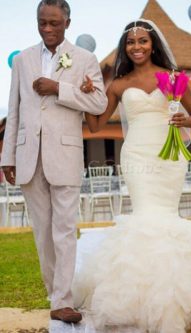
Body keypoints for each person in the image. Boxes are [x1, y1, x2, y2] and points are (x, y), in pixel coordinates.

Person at [72, 19, 191, 333]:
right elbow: (96, 126)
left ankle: (179, 289)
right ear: (124, 47)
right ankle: (139, 295)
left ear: (153, 44)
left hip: (170, 156)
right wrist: (86, 97)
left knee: (166, 216)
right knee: (145, 216)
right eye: (131, 42)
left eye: (142, 41)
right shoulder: (118, 84)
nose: (137, 47)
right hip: (137, 154)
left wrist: (184, 117)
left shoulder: (174, 78)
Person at [1, 0, 107, 324]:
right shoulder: (22, 60)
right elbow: (15, 109)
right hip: (28, 155)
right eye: (42, 23)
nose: (48, 29)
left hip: (65, 154)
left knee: (63, 229)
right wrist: (8, 156)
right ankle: (55, 294)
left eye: (54, 24)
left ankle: (62, 300)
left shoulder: (85, 59)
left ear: (67, 23)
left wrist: (59, 88)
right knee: (43, 234)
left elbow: (99, 101)